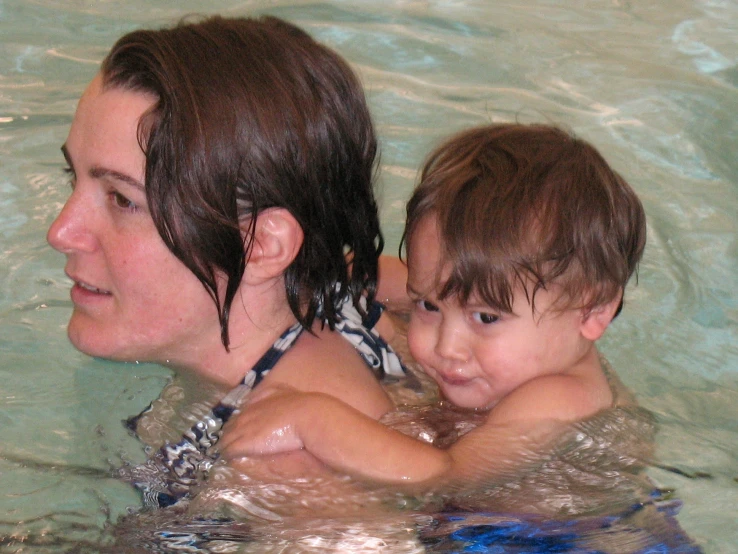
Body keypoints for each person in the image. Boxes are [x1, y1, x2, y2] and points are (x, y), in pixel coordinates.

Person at [46, 15, 408, 510]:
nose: (61, 232)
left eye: (122, 200)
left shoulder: (288, 469)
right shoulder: (338, 292)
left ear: (260, 246)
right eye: (75, 179)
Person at [219, 123, 653, 514]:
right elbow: (390, 276)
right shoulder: (522, 342)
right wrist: (322, 275)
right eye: (429, 306)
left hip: (555, 542)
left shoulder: (559, 399)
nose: (446, 347)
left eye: (485, 317)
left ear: (593, 312)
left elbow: (445, 475)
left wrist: (312, 418)